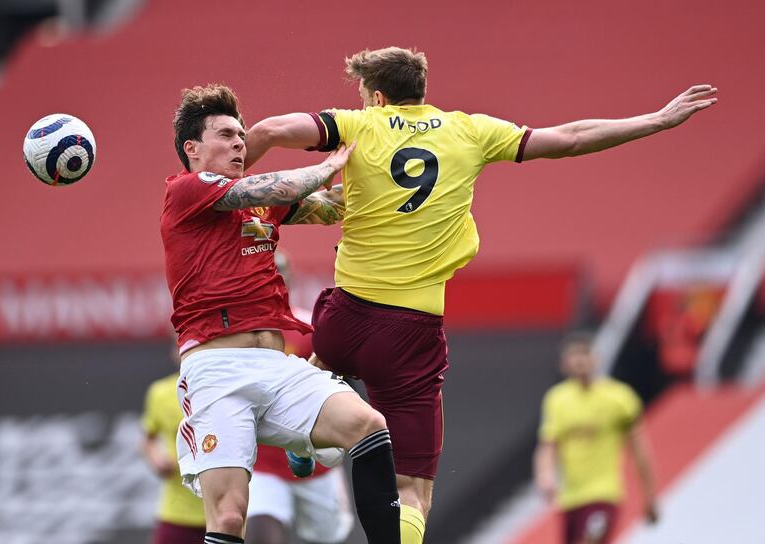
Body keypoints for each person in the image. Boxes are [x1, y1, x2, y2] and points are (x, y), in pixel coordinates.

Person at [243, 46, 716, 543]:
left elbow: (270, 132)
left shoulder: (359, 124)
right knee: (411, 491)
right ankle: (317, 441)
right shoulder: (469, 130)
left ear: (377, 97)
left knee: (326, 354)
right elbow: (570, 138)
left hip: (345, 316)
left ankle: (305, 430)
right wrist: (656, 121)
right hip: (409, 331)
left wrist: (220, 187)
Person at [161, 83, 401, 544]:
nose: (239, 143)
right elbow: (287, 184)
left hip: (275, 365)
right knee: (230, 517)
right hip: (216, 370)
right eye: (226, 134)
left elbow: (329, 206)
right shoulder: (186, 191)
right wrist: (331, 162)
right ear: (192, 148)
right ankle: (301, 443)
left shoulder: (256, 200)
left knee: (369, 426)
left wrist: (390, 181)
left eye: (242, 135)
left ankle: (303, 445)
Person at [246, 250, 354, 544]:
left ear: (290, 277)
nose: (272, 278)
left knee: (328, 537)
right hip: (261, 461)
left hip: (313, 460)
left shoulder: (310, 329)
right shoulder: (237, 336)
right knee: (262, 534)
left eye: (279, 270)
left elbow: (338, 389)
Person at [534, 333, 658, 544]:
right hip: (571, 498)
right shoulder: (557, 400)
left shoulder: (619, 398)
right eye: (574, 355)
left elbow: (639, 450)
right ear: (563, 364)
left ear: (596, 358)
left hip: (604, 494)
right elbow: (548, 446)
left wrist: (650, 497)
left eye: (585, 353)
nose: (580, 360)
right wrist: (544, 476)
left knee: (591, 538)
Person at [141, 348, 206, 544]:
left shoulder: (226, 391)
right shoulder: (160, 393)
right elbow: (148, 438)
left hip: (225, 515)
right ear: (175, 352)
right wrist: (157, 461)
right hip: (176, 514)